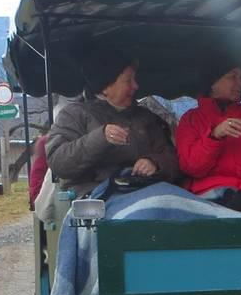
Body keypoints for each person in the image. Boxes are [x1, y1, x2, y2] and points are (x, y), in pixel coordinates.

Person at [45, 54, 179, 194]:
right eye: (128, 81)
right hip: (96, 198)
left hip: (146, 190)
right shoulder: (73, 115)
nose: (136, 86)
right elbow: (58, 163)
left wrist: (154, 163)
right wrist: (100, 138)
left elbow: (171, 157)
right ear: (105, 87)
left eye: (135, 79)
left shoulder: (146, 117)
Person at [175, 60, 241, 213]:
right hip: (200, 198)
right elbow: (190, 168)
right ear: (212, 82)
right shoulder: (190, 119)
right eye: (233, 77)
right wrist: (214, 136)